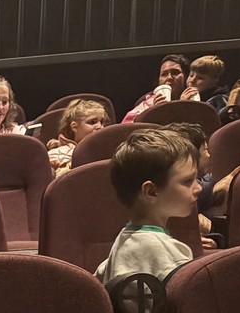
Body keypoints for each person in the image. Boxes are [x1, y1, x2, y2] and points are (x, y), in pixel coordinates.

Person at [95, 129, 200, 284]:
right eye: (187, 181)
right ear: (151, 191)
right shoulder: (169, 256)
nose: (198, 188)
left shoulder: (124, 240)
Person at [46, 99, 109, 178]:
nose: (100, 127)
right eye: (92, 122)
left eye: (102, 122)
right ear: (74, 127)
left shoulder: (109, 150)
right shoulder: (56, 155)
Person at [122, 54, 190, 123]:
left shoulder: (192, 98)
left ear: (186, 76)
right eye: (164, 74)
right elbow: (126, 125)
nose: (169, 77)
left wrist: (184, 106)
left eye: (175, 72)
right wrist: (154, 112)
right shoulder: (148, 104)